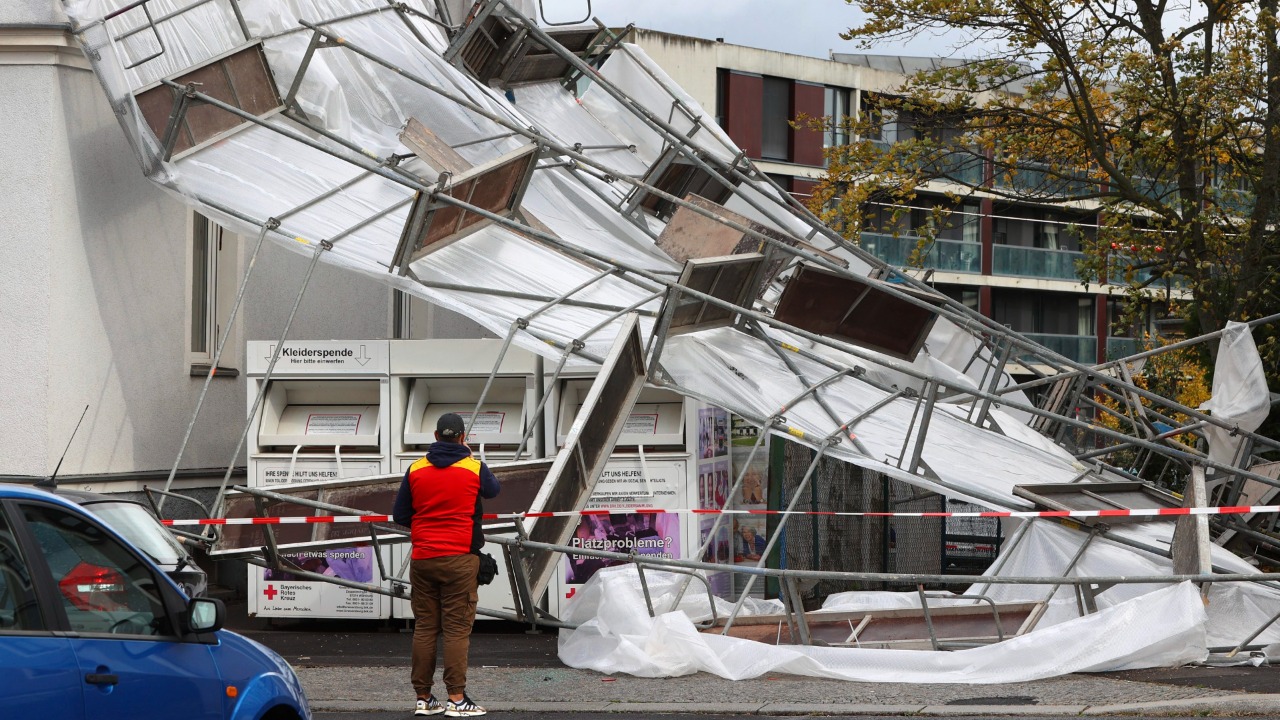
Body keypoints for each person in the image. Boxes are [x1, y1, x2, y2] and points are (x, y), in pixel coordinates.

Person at [393, 412, 499, 717]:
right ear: (463, 437)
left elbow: (401, 515)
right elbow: (493, 491)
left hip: (423, 559)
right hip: (459, 560)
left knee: (425, 628)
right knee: (455, 630)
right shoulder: (473, 467)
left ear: (436, 437)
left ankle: (424, 699)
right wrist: (470, 456)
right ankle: (456, 698)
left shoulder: (415, 469)